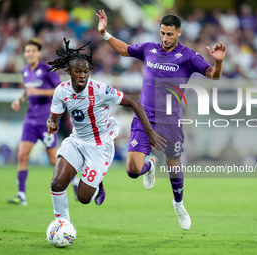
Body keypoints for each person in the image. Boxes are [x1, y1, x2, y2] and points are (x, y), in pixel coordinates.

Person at [96, 10, 226, 230]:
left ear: (179, 33)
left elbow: (214, 74)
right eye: (163, 33)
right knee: (132, 170)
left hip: (170, 121)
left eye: (169, 34)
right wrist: (105, 34)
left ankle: (178, 204)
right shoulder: (149, 48)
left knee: (174, 166)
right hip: (144, 117)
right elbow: (125, 50)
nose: (165, 38)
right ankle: (150, 166)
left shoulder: (188, 56)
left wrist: (219, 62)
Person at [46, 39, 166, 221]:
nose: (82, 75)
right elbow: (54, 116)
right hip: (77, 140)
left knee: (84, 198)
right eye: (77, 71)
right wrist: (51, 123)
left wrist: (149, 131)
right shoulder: (61, 91)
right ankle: (62, 223)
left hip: (100, 145)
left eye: (85, 71)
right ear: (69, 71)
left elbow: (133, 101)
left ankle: (144, 166)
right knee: (57, 183)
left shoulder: (100, 90)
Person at [7, 38, 64, 205]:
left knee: (54, 159)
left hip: (47, 121)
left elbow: (59, 89)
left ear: (38, 53)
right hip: (30, 120)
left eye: (33, 51)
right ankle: (21, 195)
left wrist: (38, 91)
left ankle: (73, 179)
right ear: (24, 54)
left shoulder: (48, 69)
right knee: (22, 155)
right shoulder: (25, 71)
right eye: (27, 51)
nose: (30, 54)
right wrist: (20, 99)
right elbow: (28, 90)